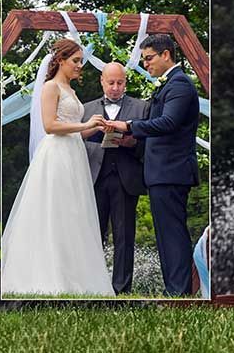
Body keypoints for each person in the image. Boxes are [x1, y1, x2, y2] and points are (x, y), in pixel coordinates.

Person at [0, 38, 114, 296]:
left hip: (74, 154)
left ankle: (75, 275)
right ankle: (49, 276)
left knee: (74, 213)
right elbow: (50, 126)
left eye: (81, 62)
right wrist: (85, 125)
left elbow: (73, 131)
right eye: (75, 61)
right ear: (60, 60)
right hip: (56, 156)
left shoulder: (72, 91)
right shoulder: (51, 88)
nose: (79, 67)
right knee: (56, 212)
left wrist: (94, 128)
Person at [102, 35, 199, 295]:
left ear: (166, 54)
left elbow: (168, 123)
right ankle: (173, 290)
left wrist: (129, 125)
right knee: (165, 236)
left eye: (148, 58)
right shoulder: (169, 85)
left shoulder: (180, 85)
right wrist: (133, 140)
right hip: (161, 173)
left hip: (172, 171)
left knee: (173, 233)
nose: (145, 64)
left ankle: (178, 293)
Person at [81, 62, 149, 295]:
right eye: (111, 82)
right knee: (93, 235)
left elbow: (150, 145)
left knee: (124, 237)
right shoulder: (86, 109)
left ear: (125, 82)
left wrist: (132, 143)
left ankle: (121, 289)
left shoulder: (142, 108)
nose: (115, 88)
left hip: (125, 179)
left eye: (120, 83)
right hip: (95, 178)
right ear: (102, 81)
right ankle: (93, 288)